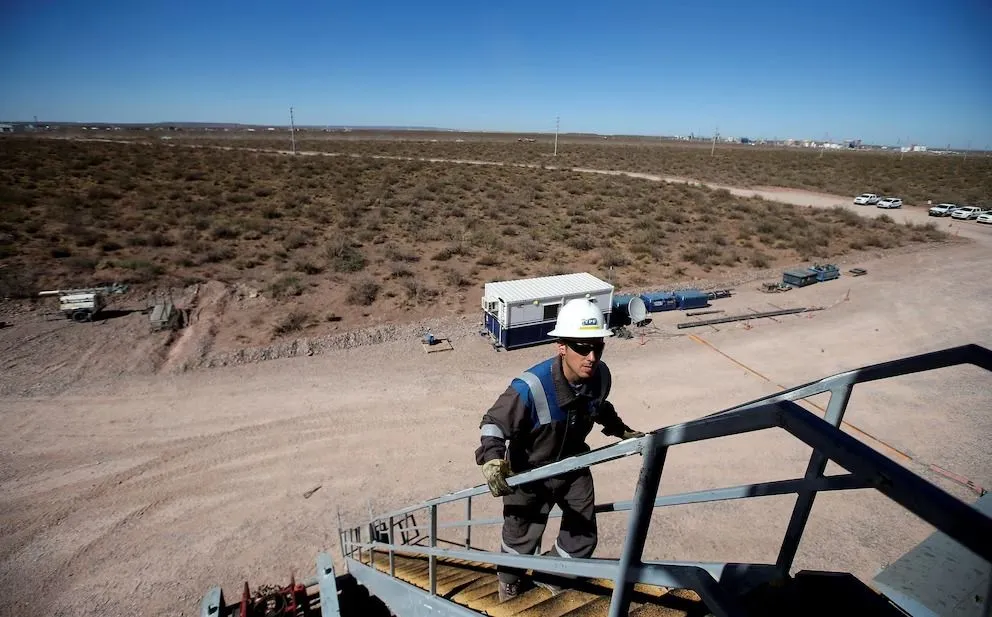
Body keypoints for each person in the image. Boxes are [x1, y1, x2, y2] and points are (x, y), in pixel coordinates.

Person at [474, 297, 645, 602]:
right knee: (521, 533)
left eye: (598, 346)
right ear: (562, 346)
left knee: (583, 530)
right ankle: (510, 580)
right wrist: (492, 461)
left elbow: (599, 408)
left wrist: (621, 430)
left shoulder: (600, 376)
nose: (591, 356)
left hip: (571, 464)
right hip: (528, 471)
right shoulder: (531, 386)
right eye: (581, 347)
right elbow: (494, 423)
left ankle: (553, 576)